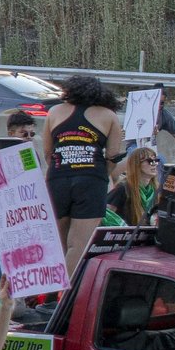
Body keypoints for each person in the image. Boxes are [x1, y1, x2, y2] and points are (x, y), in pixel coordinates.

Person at [36, 74, 123, 276]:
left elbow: (48, 154)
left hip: (58, 177)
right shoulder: (108, 115)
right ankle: (64, 298)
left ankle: (50, 294)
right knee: (78, 245)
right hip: (91, 179)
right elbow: (113, 155)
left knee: (60, 243)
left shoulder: (55, 111)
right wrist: (102, 175)